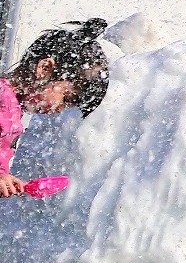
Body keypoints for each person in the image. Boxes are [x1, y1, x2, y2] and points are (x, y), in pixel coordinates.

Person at [0, 19, 110, 197]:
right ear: (44, 68)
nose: (60, 109)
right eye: (66, 98)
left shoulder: (12, 108)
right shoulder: (2, 100)